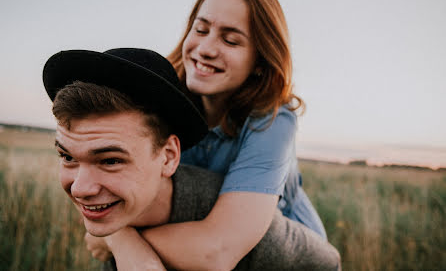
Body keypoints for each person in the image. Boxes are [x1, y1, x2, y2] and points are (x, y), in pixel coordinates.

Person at [43, 48, 341, 270]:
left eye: (110, 161)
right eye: (67, 156)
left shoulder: (251, 227)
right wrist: (121, 240)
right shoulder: (114, 212)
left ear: (170, 157)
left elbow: (328, 261)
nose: (80, 188)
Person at [110, 0, 327, 270]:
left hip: (284, 254)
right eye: (200, 30)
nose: (206, 48)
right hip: (193, 234)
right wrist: (118, 237)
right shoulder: (160, 99)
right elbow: (107, 180)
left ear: (260, 63)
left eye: (230, 40)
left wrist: (127, 242)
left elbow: (218, 251)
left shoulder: (274, 119)